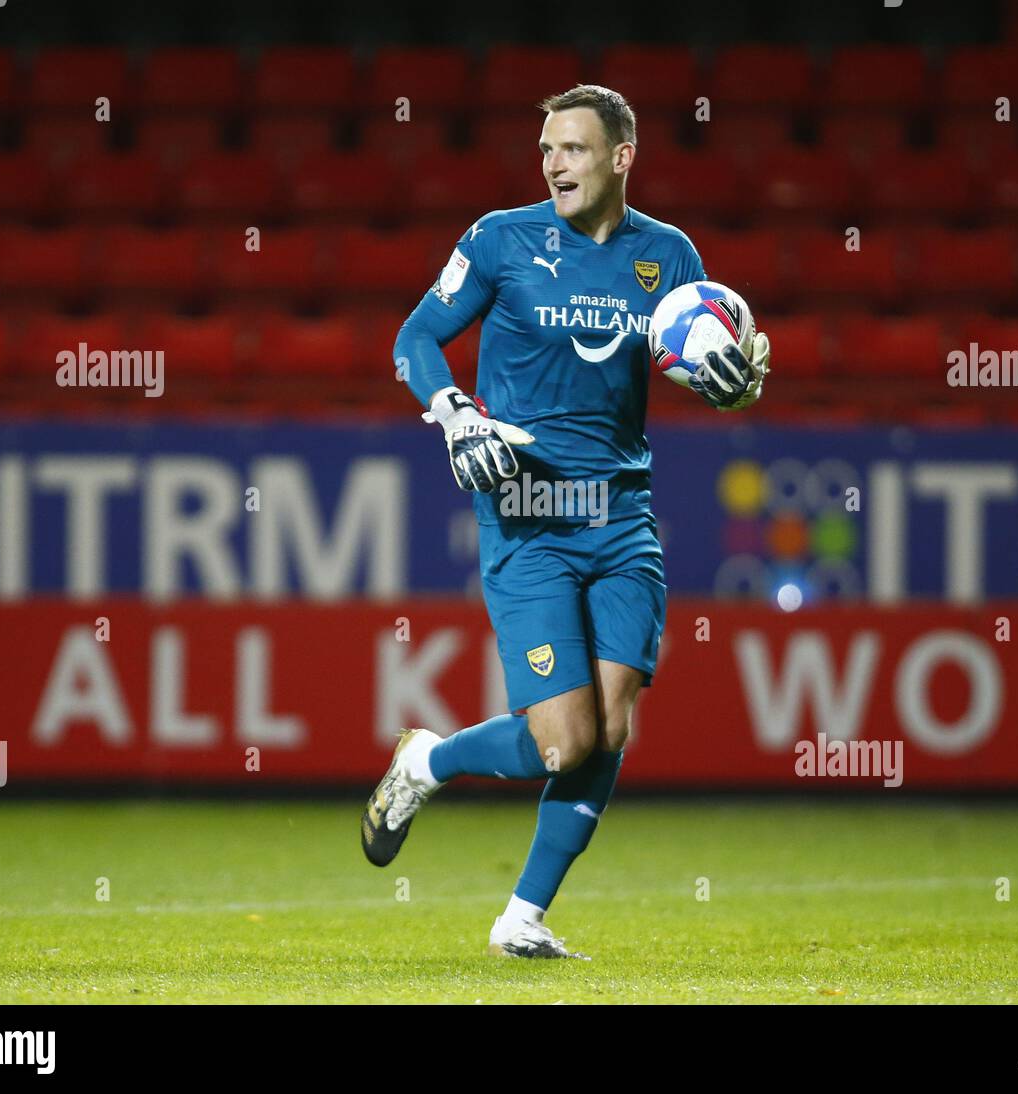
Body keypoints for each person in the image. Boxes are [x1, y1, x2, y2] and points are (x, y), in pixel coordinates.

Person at [363, 84, 769, 958]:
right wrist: (454, 411)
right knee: (565, 742)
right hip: (528, 518)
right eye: (547, 149)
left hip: (623, 516)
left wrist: (732, 379)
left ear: (622, 157)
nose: (553, 164)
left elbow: (695, 355)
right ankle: (426, 763)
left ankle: (522, 920)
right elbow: (414, 339)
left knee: (614, 726)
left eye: (574, 149)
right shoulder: (500, 239)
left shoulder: (669, 256)